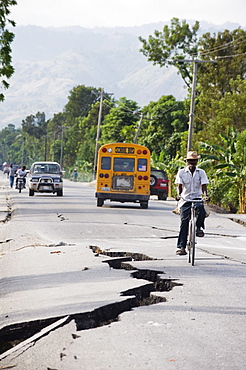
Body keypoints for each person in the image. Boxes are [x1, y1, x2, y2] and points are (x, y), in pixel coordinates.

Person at [175, 151, 209, 256]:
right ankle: (181, 247)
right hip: (185, 199)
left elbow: (204, 185)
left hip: (197, 198)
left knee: (202, 211)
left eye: (193, 160)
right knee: (184, 222)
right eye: (190, 160)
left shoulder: (201, 172)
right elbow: (180, 185)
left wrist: (205, 195)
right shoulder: (181, 172)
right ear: (186, 161)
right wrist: (179, 195)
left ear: (196, 161)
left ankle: (199, 228)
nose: (192, 162)